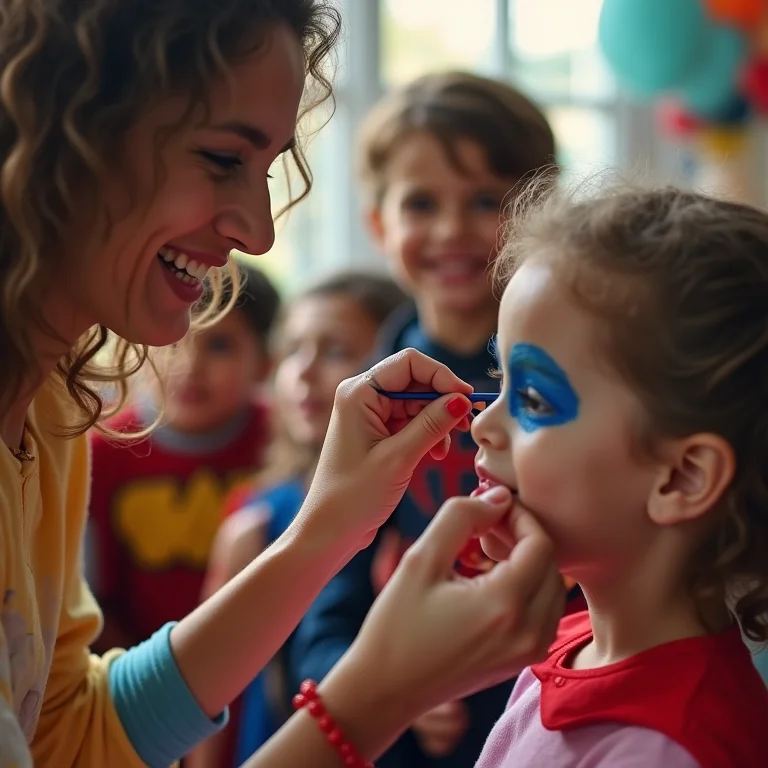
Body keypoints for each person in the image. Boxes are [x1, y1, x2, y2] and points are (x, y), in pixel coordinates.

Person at [0, 2, 567, 766]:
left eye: (265, 170)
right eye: (222, 159)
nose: (259, 231)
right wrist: (382, 690)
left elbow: (68, 730)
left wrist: (323, 532)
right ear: (65, 132)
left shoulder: (47, 406)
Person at [292, 71, 581, 767]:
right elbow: (328, 588)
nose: (452, 230)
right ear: (378, 224)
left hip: (557, 701)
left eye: (486, 201)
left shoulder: (578, 375)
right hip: (412, 722)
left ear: (542, 214)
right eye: (422, 203)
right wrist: (379, 683)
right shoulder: (370, 392)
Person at [468, 182, 768, 767]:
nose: (483, 426)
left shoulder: (666, 748)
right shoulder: (567, 646)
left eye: (532, 398)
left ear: (682, 477)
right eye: (500, 380)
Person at [190, 271, 406, 767]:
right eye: (292, 350)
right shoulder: (254, 523)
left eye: (335, 351)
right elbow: (207, 690)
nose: (304, 372)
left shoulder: (419, 513)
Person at [88, 262, 279, 656]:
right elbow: (90, 602)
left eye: (219, 345)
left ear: (265, 364)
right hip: (134, 671)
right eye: (172, 341)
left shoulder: (280, 442)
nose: (189, 366)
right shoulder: (103, 453)